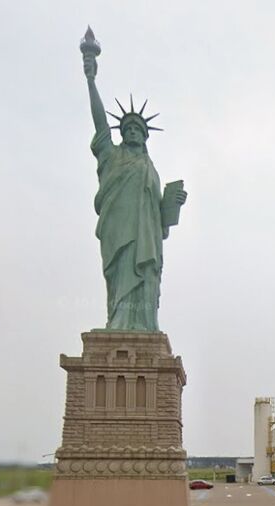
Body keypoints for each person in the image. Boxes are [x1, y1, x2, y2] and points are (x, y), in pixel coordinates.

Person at [83, 49, 187, 330]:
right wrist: (91, 78)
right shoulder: (112, 156)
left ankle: (144, 323)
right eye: (127, 128)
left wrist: (172, 203)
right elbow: (100, 123)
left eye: (137, 129)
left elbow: (158, 214)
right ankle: (118, 321)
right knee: (120, 275)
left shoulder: (150, 168)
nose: (131, 132)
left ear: (144, 136)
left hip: (146, 237)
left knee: (147, 275)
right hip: (119, 231)